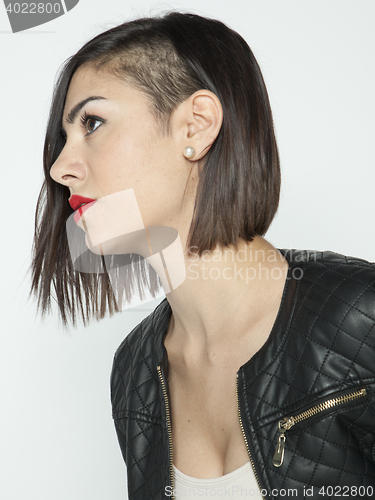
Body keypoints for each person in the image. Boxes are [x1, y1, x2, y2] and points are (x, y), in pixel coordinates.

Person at [31, 11, 375, 500]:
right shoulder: (134, 373)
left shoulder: (362, 314)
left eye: (93, 122)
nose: (61, 167)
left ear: (196, 126)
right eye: (64, 139)